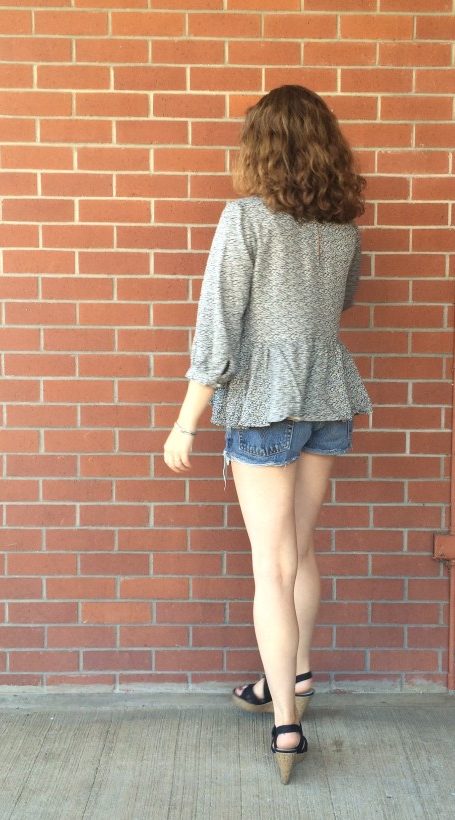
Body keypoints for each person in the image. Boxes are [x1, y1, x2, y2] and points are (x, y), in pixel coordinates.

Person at [163, 85, 371, 785]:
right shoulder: (344, 227)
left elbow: (217, 329)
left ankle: (286, 724)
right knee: (301, 554)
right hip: (326, 396)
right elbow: (344, 302)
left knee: (271, 567)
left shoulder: (245, 219)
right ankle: (296, 678)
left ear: (260, 147)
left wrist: (185, 420)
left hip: (262, 407)